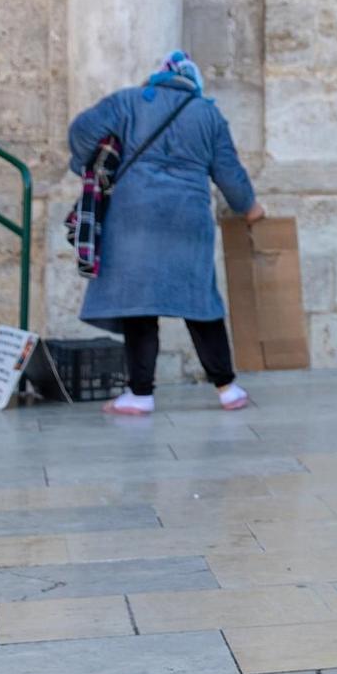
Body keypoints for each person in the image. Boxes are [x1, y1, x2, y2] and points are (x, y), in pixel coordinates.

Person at [66, 50, 261, 414]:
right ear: (193, 82)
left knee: (139, 307)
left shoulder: (129, 101)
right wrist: (249, 208)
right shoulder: (208, 114)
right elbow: (229, 172)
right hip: (188, 221)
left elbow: (81, 130)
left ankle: (140, 395)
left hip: (133, 218)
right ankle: (227, 388)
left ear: (160, 76)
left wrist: (89, 165)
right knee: (201, 303)